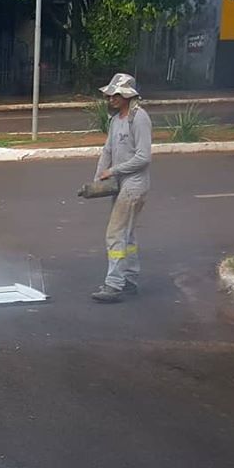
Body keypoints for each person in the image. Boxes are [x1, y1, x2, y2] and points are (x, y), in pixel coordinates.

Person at [90, 73, 152, 303]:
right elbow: (107, 151)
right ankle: (130, 280)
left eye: (116, 95)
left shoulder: (139, 118)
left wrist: (114, 171)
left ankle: (114, 285)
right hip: (120, 185)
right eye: (110, 95)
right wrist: (99, 178)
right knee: (128, 234)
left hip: (134, 185)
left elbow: (144, 157)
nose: (111, 99)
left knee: (115, 233)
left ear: (127, 95)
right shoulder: (116, 120)